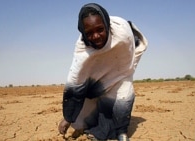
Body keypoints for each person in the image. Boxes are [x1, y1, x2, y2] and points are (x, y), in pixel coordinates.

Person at [58, 3, 148, 141]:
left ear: (107, 25)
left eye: (100, 29)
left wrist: (116, 79)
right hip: (98, 79)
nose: (95, 36)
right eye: (89, 33)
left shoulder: (122, 33)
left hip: (122, 71)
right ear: (83, 32)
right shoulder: (82, 50)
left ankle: (121, 132)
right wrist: (68, 118)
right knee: (83, 119)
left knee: (124, 98)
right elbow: (75, 85)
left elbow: (129, 57)